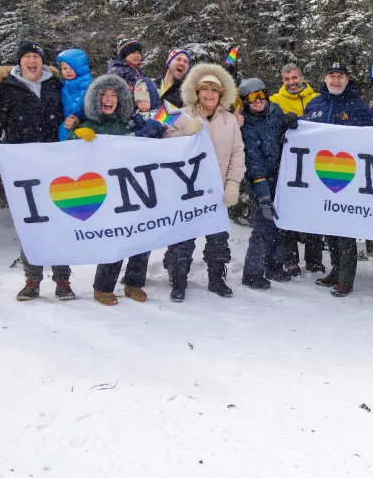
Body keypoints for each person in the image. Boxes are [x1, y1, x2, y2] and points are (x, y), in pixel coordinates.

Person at [0, 41, 74, 302]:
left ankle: (62, 279)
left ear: (43, 62)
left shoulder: (57, 86)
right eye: (27, 57)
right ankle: (32, 279)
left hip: (57, 164)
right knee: (31, 222)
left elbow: (74, 110)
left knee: (60, 219)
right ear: (19, 62)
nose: (32, 61)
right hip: (24, 167)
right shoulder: (6, 89)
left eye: (37, 57)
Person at [70, 74, 164, 305]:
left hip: (135, 189)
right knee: (115, 239)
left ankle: (134, 283)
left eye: (114, 94)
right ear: (96, 98)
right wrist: (75, 135)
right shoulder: (89, 125)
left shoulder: (130, 123)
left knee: (142, 236)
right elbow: (69, 156)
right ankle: (103, 287)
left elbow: (158, 134)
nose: (109, 99)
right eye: (104, 94)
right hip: (106, 192)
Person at [162, 62, 245, 300]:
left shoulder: (230, 120)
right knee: (183, 240)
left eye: (214, 90)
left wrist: (232, 184)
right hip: (188, 192)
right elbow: (165, 143)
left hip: (217, 191)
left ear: (222, 93)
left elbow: (237, 154)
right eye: (205, 89)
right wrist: (186, 130)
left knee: (218, 239)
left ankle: (217, 278)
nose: (209, 94)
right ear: (196, 91)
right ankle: (178, 280)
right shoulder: (182, 114)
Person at [301, 58, 373, 296]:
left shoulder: (357, 107)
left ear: (347, 80)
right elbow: (303, 135)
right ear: (325, 78)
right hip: (321, 174)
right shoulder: (315, 104)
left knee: (344, 227)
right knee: (328, 225)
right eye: (332, 76)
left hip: (348, 175)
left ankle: (347, 277)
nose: (336, 80)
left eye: (340, 77)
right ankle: (336, 269)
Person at [238, 77, 294, 289]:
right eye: (252, 98)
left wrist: (291, 122)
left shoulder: (275, 111)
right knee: (262, 227)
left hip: (281, 179)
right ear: (245, 101)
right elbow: (254, 162)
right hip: (261, 181)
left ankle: (274, 266)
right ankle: (251, 273)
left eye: (261, 95)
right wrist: (263, 195)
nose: (258, 101)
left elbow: (283, 134)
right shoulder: (247, 125)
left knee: (279, 226)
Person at [270, 62, 324, 275]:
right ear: (282, 81)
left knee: (314, 211)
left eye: (294, 78)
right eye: (287, 79)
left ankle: (314, 259)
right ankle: (290, 259)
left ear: (302, 78)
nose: (291, 83)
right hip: (288, 165)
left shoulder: (318, 98)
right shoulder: (275, 101)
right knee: (289, 210)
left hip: (316, 164)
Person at [56, 48, 92, 141]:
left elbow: (83, 97)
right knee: (64, 131)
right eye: (64, 68)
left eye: (71, 68)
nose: (68, 71)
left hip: (79, 116)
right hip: (70, 116)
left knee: (64, 131)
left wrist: (73, 110)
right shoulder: (67, 83)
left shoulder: (85, 81)